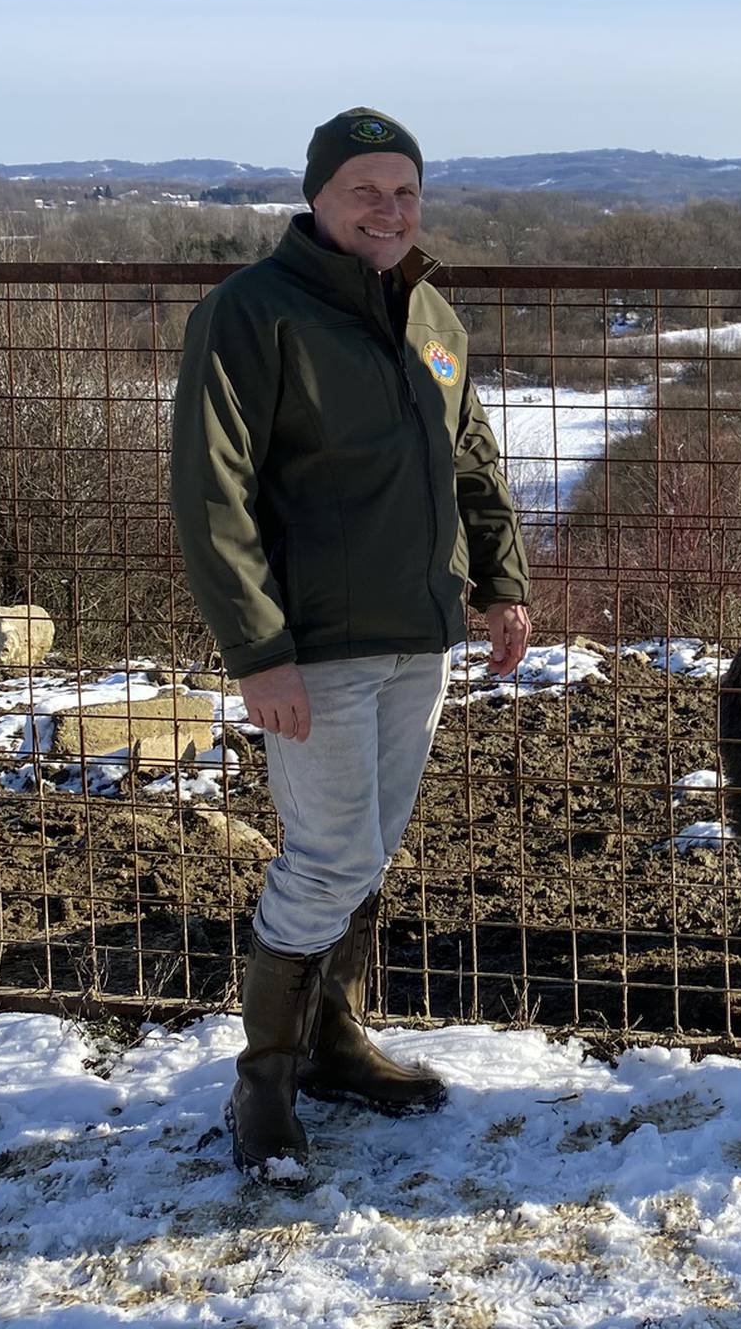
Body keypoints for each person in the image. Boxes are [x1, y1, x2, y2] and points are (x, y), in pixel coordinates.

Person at [170, 107, 531, 1180]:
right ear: (318, 196)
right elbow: (211, 493)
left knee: (366, 849)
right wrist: (258, 651)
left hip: (417, 632)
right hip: (313, 644)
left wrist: (501, 581)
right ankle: (265, 1083)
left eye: (406, 191)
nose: (389, 209)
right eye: (366, 189)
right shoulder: (253, 313)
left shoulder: (430, 314)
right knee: (327, 857)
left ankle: (332, 1043)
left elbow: (471, 456)